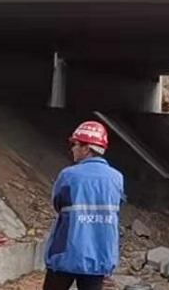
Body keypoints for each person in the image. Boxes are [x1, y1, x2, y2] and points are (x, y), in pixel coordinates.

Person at [43, 121, 125, 290]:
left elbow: (57, 203)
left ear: (86, 148)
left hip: (65, 255)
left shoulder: (69, 175)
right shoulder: (117, 178)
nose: (72, 148)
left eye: (75, 144)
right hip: (98, 259)